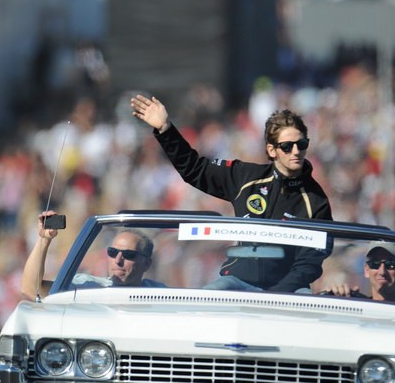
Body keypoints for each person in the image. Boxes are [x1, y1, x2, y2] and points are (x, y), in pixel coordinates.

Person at [130, 94, 332, 293]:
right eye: (287, 146)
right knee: (204, 302)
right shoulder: (246, 176)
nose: (296, 151)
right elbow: (194, 169)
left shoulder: (316, 200)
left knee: (306, 300)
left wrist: (276, 294)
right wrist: (165, 129)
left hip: (289, 290)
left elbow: (309, 263)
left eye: (301, 144)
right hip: (238, 282)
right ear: (272, 150)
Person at [21, 211, 163, 300]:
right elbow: (32, 290)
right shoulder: (88, 287)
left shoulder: (160, 295)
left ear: (147, 264)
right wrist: (44, 240)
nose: (118, 260)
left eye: (129, 254)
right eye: (112, 253)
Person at [322, 243, 395, 302]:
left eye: (390, 264)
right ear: (366, 270)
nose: (382, 271)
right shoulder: (355, 308)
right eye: (375, 264)